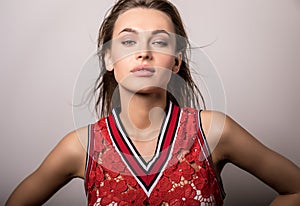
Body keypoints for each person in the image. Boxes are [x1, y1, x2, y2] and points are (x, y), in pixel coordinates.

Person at [6, 0, 300, 205]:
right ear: (109, 58)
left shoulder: (211, 131)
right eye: (128, 41)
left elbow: (295, 189)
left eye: (159, 42)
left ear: (175, 62)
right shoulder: (81, 147)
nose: (144, 52)